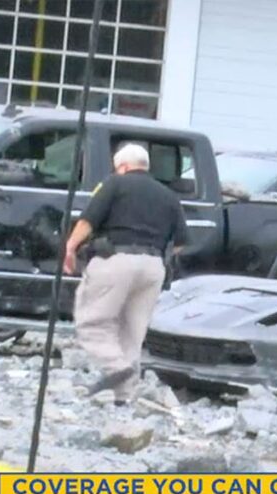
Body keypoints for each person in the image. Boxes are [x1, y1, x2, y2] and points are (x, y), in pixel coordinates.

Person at [64, 143, 188, 405]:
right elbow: (180, 242)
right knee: (133, 331)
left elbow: (88, 221)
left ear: (122, 166)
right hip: (154, 267)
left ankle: (115, 366)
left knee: (92, 321)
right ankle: (125, 396)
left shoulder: (115, 184)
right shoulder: (168, 196)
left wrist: (71, 247)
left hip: (116, 260)